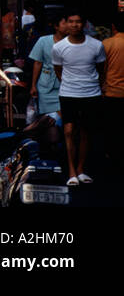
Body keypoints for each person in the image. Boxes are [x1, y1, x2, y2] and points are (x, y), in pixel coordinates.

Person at [52, 10, 106, 186]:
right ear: (66, 23)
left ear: (84, 24)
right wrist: (70, 84)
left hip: (91, 94)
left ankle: (81, 169)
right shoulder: (59, 47)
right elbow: (58, 70)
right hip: (68, 94)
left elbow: (101, 68)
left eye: (78, 21)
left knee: (85, 132)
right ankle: (72, 170)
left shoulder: (96, 45)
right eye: (71, 21)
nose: (75, 25)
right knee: (68, 131)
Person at [28, 13, 68, 118]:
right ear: (56, 26)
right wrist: (33, 85)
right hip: (45, 86)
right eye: (65, 23)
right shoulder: (43, 41)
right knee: (49, 119)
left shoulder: (72, 43)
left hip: (66, 86)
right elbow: (38, 63)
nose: (69, 25)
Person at [103, 15, 124, 176]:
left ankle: (111, 155)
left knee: (111, 126)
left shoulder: (107, 44)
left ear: (113, 26)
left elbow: (101, 69)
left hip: (111, 91)